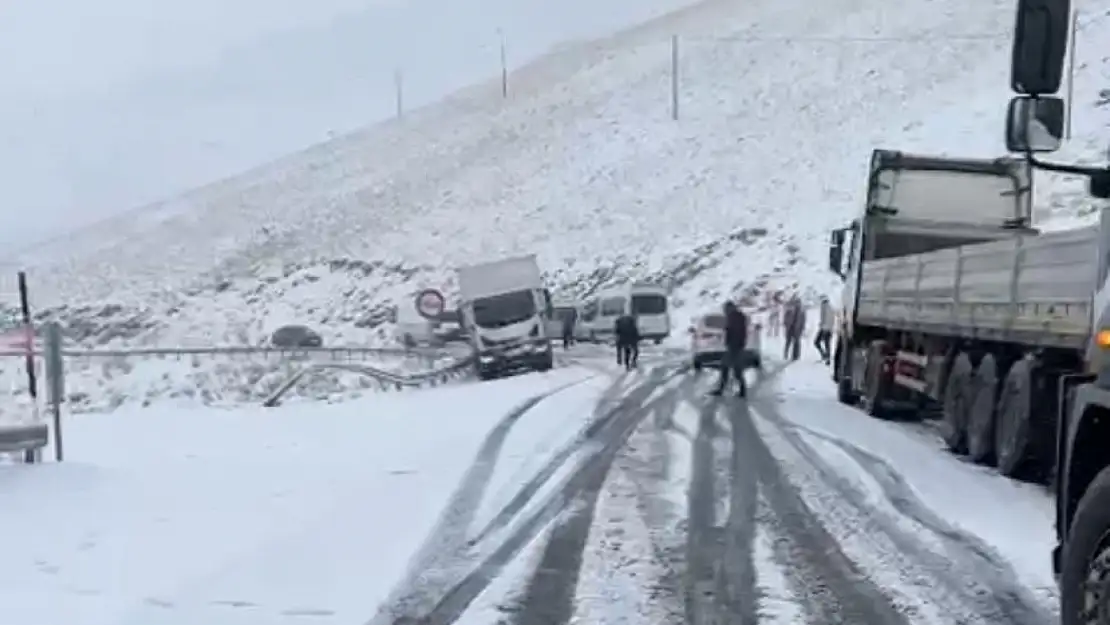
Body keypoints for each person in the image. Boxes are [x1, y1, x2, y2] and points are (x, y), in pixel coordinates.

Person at [710, 301, 748, 397]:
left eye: (725, 309)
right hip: (736, 346)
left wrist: (730, 340)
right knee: (731, 369)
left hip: (734, 347)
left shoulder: (734, 317)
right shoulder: (738, 316)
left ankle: (723, 390)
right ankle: (741, 390)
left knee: (730, 369)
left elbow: (734, 331)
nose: (724, 311)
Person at [782, 294, 806, 361]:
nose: (797, 303)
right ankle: (786, 354)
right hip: (790, 327)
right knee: (788, 341)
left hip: (797, 328)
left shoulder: (802, 310)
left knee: (797, 342)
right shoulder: (790, 308)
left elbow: (803, 319)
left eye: (798, 302)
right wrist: (785, 324)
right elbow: (786, 316)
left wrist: (803, 328)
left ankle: (796, 356)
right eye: (796, 302)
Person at [814, 297, 834, 364]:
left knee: (818, 342)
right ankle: (826, 357)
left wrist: (825, 327)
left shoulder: (826, 307)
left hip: (826, 328)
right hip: (827, 328)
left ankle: (826, 357)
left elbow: (828, 319)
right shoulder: (829, 306)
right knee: (826, 344)